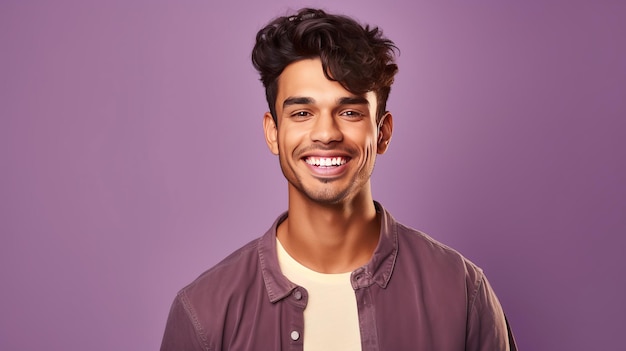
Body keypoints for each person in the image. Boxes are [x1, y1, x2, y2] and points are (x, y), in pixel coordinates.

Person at [160, 7, 517, 351]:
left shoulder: (462, 292)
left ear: (383, 132)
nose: (326, 133)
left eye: (349, 112)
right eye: (302, 112)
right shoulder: (204, 313)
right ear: (273, 132)